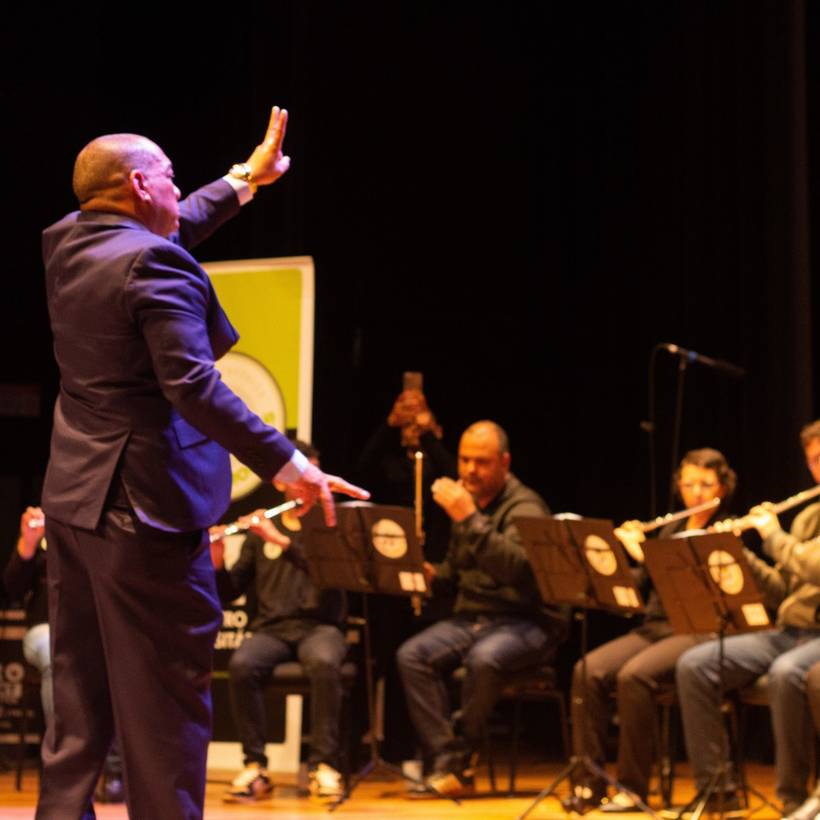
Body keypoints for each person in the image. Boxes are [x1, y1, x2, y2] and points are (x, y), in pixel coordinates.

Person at [38, 108, 367, 820]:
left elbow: (166, 224)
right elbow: (192, 385)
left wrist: (246, 179)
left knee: (78, 704)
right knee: (164, 710)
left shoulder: (66, 244)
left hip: (74, 505)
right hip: (142, 515)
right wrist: (289, 465)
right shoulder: (151, 262)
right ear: (136, 182)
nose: (177, 188)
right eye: (169, 176)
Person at [396, 420, 567, 796]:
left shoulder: (526, 506)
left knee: (484, 659)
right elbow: (456, 575)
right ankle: (448, 756)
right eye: (464, 460)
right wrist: (426, 575)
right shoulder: (468, 506)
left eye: (481, 462)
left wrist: (469, 518)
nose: (470, 470)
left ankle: (461, 759)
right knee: (412, 655)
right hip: (473, 618)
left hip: (528, 620)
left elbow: (519, 570)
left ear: (504, 463)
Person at [568, 449, 736, 812]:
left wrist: (648, 553)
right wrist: (617, 558)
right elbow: (641, 585)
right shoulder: (672, 526)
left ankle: (632, 787)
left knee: (634, 677)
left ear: (722, 486)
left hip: (699, 630)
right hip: (657, 627)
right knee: (588, 670)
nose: (697, 493)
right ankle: (590, 783)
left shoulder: (729, 527)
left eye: (706, 484)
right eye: (689, 484)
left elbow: (706, 588)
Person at [676, 420, 820, 817]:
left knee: (786, 673)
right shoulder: (809, 517)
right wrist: (739, 553)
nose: (818, 469)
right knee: (696, 665)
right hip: (791, 630)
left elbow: (814, 566)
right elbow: (781, 591)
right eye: (813, 461)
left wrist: (772, 534)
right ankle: (719, 793)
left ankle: (793, 799)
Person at [211, 440, 348, 803]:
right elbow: (230, 591)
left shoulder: (329, 524)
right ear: (281, 482)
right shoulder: (262, 529)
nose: (309, 484)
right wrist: (217, 562)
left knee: (323, 662)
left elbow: (333, 576)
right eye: (302, 476)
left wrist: (283, 542)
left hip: (320, 626)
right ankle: (255, 767)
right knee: (242, 664)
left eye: (314, 477)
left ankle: (323, 766)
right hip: (272, 629)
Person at [3, 508, 124, 803]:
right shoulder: (46, 537)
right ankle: (62, 766)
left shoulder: (105, 528)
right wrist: (28, 544)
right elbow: (11, 589)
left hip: (96, 632)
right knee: (53, 651)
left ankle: (113, 770)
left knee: (125, 660)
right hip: (44, 629)